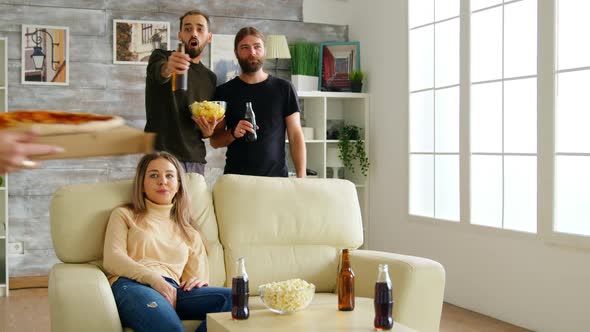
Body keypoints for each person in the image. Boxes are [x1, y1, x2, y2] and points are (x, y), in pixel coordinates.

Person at [103, 151, 231, 332]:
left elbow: (196, 279)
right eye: (154, 175)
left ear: (178, 185)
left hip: (173, 291)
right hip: (131, 284)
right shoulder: (125, 215)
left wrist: (197, 282)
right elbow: (112, 258)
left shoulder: (190, 232)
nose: (162, 181)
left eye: (169, 175)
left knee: (235, 299)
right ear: (142, 184)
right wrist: (154, 279)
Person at [210, 27, 306, 178]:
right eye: (245, 47)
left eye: (257, 47)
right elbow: (215, 141)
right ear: (236, 53)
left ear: (264, 51)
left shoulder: (284, 88)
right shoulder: (223, 92)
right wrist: (233, 132)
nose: (252, 52)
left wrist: (302, 177)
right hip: (236, 180)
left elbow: (295, 135)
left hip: (276, 180)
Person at [145, 10, 222, 175]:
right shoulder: (162, 57)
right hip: (161, 156)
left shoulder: (210, 78)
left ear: (209, 37)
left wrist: (208, 132)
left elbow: (203, 126)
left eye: (200, 29)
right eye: (188, 29)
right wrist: (168, 68)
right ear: (180, 35)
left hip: (195, 161)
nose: (193, 33)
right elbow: (159, 73)